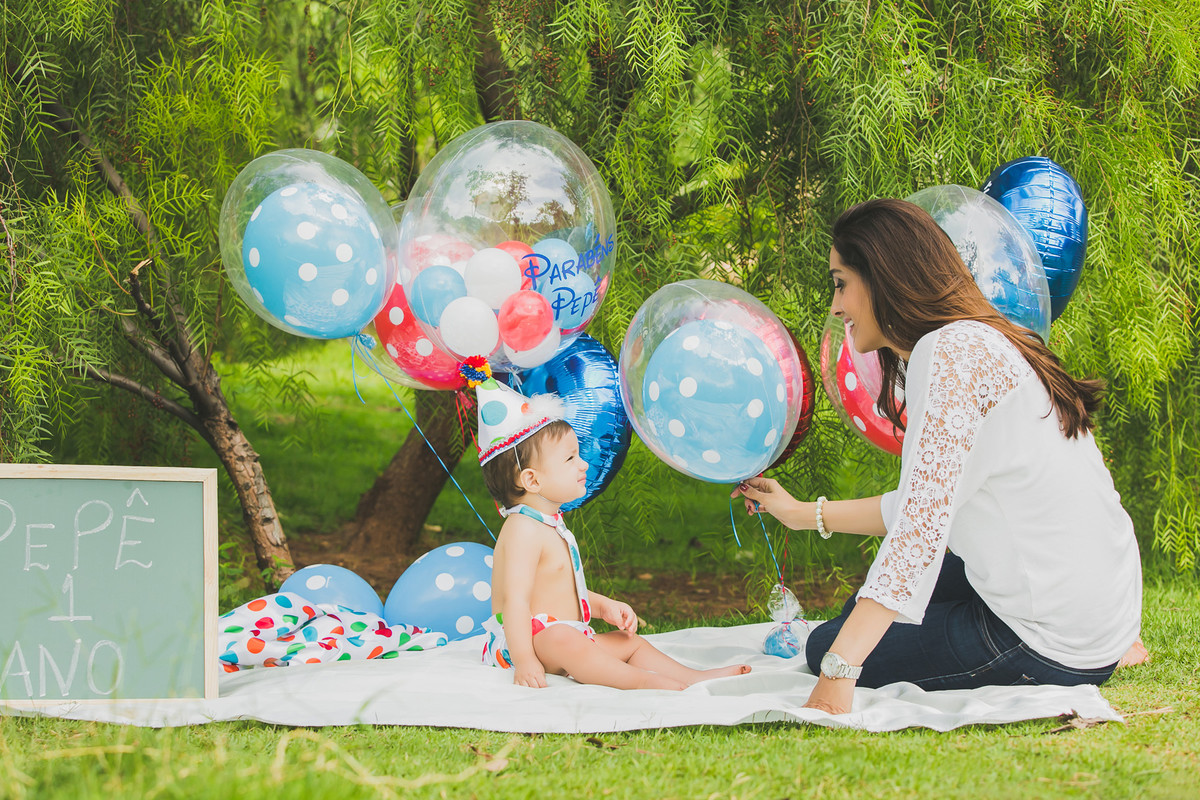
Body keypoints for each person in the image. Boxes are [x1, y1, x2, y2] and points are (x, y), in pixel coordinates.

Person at [733, 198, 1143, 715]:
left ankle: (1080, 652)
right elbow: (922, 507)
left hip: (1053, 643)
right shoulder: (979, 339)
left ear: (883, 276)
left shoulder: (947, 353)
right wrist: (797, 513)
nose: (835, 307)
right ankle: (1106, 645)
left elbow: (920, 530)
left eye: (841, 283)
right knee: (856, 611)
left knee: (824, 644)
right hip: (1099, 613)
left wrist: (839, 670)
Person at [465, 365, 751, 690]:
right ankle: (644, 683)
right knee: (561, 637)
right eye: (570, 458)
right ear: (532, 479)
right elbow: (516, 600)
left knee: (627, 642)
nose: (584, 464)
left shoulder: (549, 523)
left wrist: (603, 606)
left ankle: (693, 678)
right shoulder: (522, 530)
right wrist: (526, 659)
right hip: (521, 644)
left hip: (564, 636)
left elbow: (558, 589)